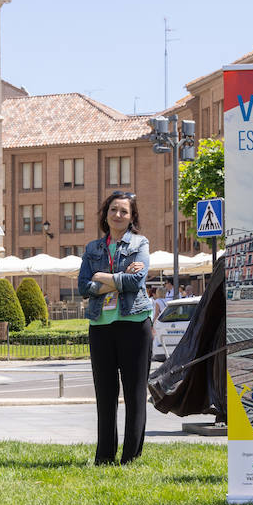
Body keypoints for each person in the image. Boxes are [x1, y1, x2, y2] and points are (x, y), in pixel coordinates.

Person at [78, 190, 151, 465]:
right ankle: (104, 456)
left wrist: (103, 277)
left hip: (134, 323)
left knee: (135, 394)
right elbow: (84, 286)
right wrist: (119, 277)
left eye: (124, 211)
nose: (118, 215)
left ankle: (130, 457)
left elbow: (138, 281)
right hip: (101, 325)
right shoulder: (93, 248)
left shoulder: (140, 243)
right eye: (113, 210)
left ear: (131, 217)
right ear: (105, 214)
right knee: (105, 394)